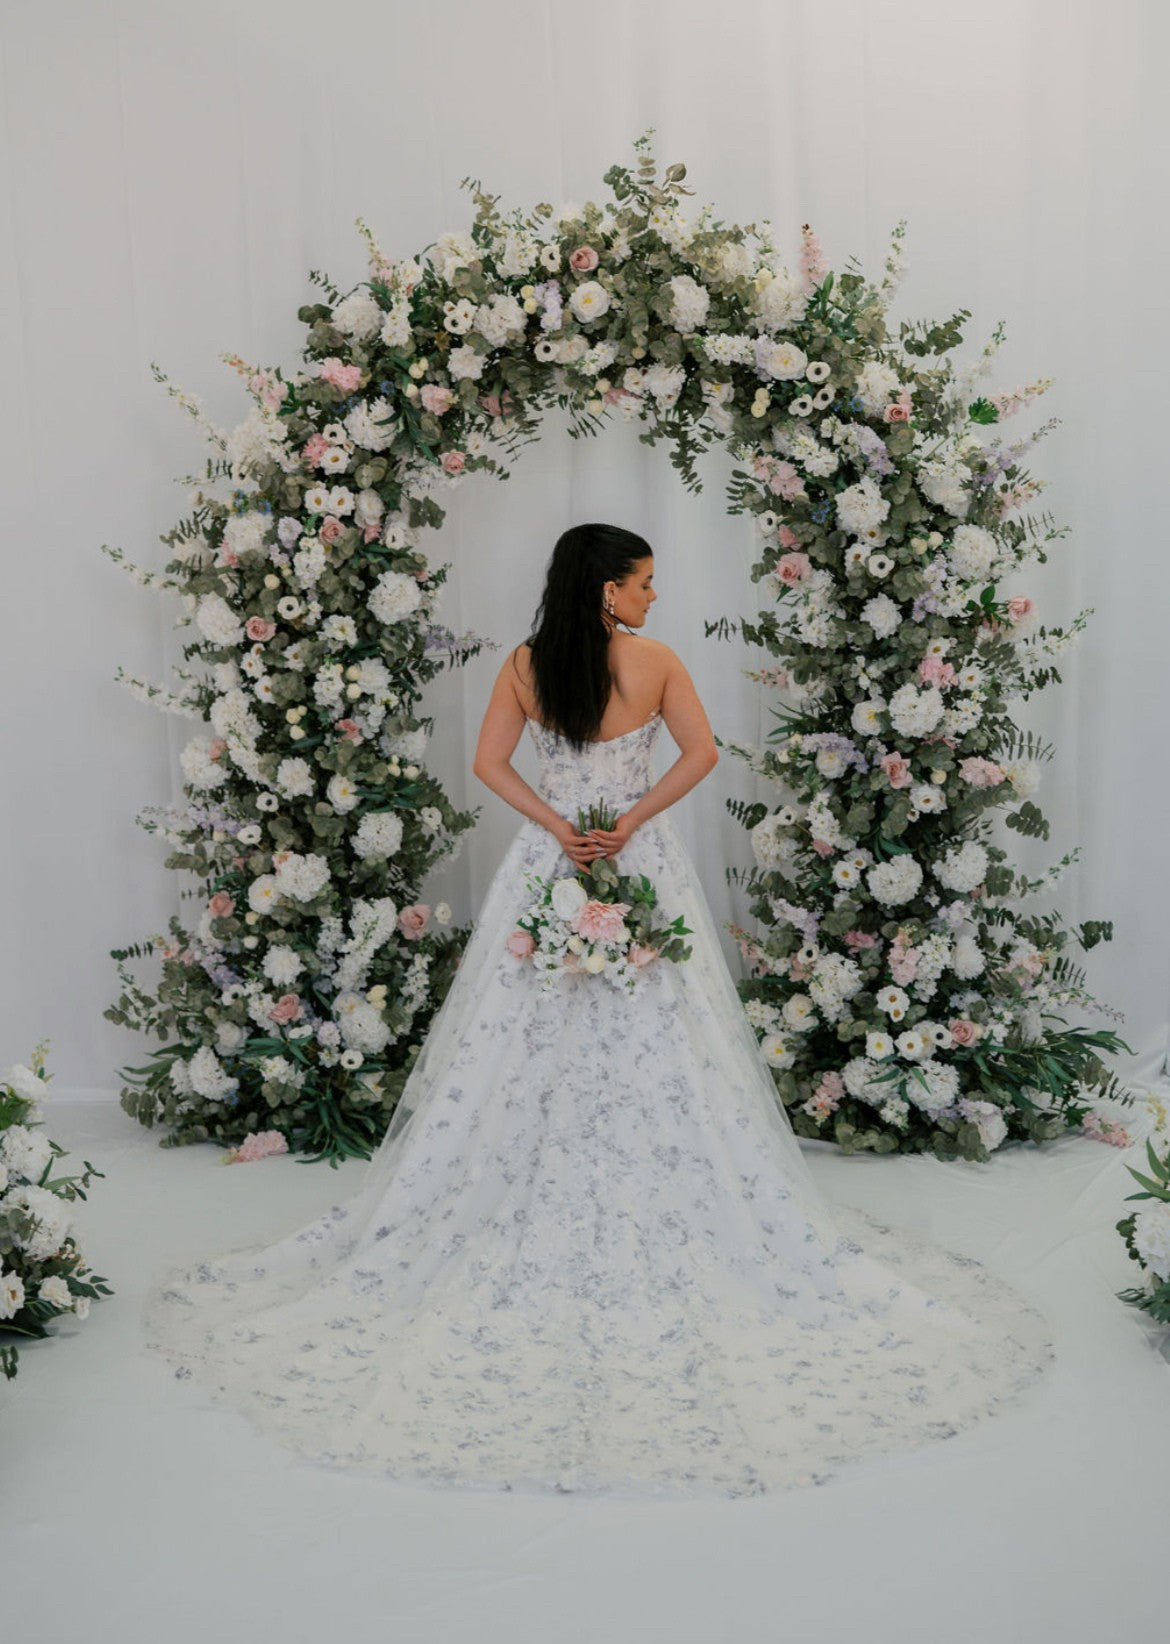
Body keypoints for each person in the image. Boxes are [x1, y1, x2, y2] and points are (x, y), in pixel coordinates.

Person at [143, 522, 1053, 1501]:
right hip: (635, 856)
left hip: (554, 861)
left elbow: (493, 768)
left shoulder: (529, 665)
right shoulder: (656, 663)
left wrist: (561, 826)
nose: (655, 598)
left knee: (516, 1029)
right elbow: (702, 754)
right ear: (608, 588)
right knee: (671, 1022)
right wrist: (628, 823)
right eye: (645, 583)